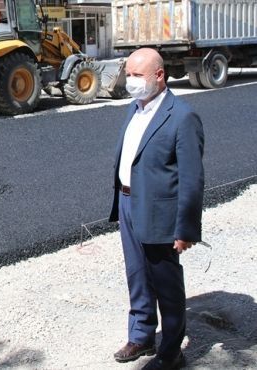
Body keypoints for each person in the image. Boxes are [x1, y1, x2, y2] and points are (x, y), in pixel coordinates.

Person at [109, 48, 204, 370]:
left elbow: (192, 177)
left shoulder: (182, 116)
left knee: (166, 283)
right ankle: (141, 335)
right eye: (129, 75)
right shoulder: (135, 109)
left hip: (160, 211)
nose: (130, 81)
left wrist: (186, 228)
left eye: (137, 76)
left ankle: (171, 351)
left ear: (159, 76)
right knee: (137, 276)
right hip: (127, 203)